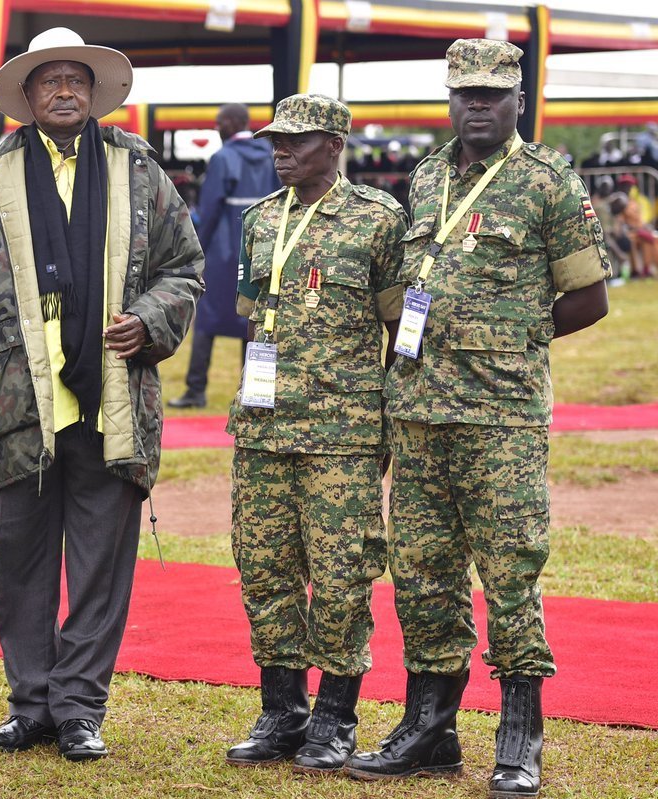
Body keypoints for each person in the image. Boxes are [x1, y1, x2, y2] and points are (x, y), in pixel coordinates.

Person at [0, 27, 204, 761]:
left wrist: (147, 320)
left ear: (94, 92)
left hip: (110, 399)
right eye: (49, 80)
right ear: (26, 96)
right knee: (19, 561)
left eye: (76, 80)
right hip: (18, 403)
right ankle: (30, 704)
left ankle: (79, 706)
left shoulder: (138, 171)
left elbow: (185, 266)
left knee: (99, 566)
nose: (64, 91)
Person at [345, 40, 610, 798]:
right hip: (419, 412)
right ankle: (430, 729)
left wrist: (515, 336)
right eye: (465, 92)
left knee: (509, 573)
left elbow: (588, 297)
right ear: (449, 98)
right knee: (423, 574)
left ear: (518, 99)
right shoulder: (426, 177)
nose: (478, 105)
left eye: (493, 93)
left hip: (501, 417)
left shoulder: (549, 181)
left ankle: (519, 737)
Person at [224, 94, 406, 773]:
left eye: (298, 140)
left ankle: (334, 718)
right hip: (265, 427)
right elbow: (254, 319)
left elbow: (398, 329)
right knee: (264, 567)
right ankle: (282, 710)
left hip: (342, 431)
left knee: (340, 574)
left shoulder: (377, 220)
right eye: (276, 138)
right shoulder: (260, 220)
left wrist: (381, 419)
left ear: (335, 144)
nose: (281, 150)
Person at [169, 103, 279, 409]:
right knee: (254, 320)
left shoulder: (222, 158)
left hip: (222, 250)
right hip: (261, 250)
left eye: (219, 123)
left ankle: (195, 389)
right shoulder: (271, 156)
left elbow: (210, 210)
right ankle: (252, 391)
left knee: (208, 318)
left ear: (232, 123)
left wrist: (196, 249)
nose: (217, 129)